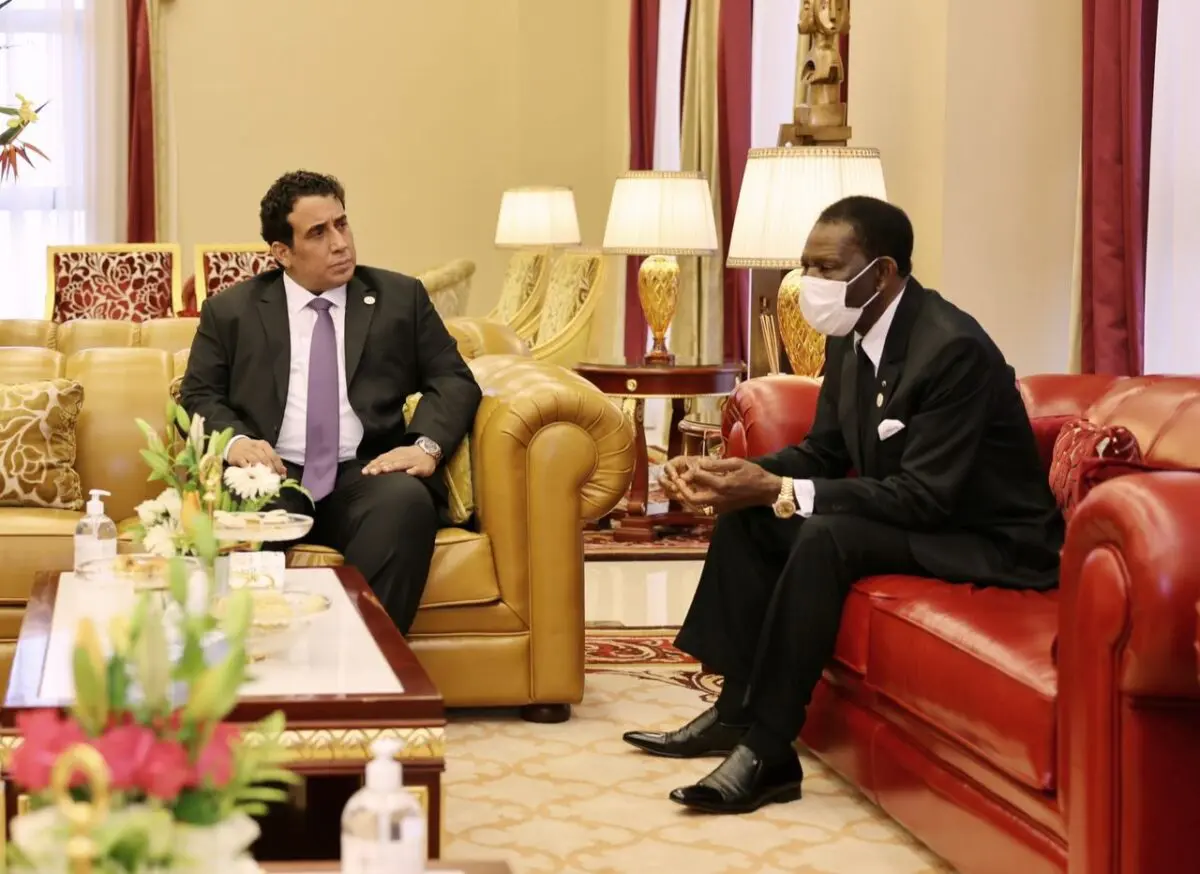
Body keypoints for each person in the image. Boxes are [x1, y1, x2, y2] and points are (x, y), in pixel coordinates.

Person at [622, 196, 1063, 814]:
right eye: (807, 265)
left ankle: (770, 751)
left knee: (826, 534)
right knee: (752, 514)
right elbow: (825, 451)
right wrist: (744, 475)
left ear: (881, 273)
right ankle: (734, 710)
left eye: (827, 268)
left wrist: (779, 491)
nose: (809, 282)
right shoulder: (850, 336)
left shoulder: (952, 349)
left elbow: (927, 495)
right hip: (919, 514)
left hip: (985, 537)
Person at [181, 170, 481, 633]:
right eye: (318, 233)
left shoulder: (399, 299)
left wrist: (426, 446)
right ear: (282, 252)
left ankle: (363, 658)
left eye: (342, 224)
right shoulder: (231, 311)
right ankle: (247, 658)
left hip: (365, 472)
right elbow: (199, 394)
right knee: (236, 513)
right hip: (272, 472)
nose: (340, 243)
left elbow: (454, 379)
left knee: (405, 502)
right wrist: (236, 442)